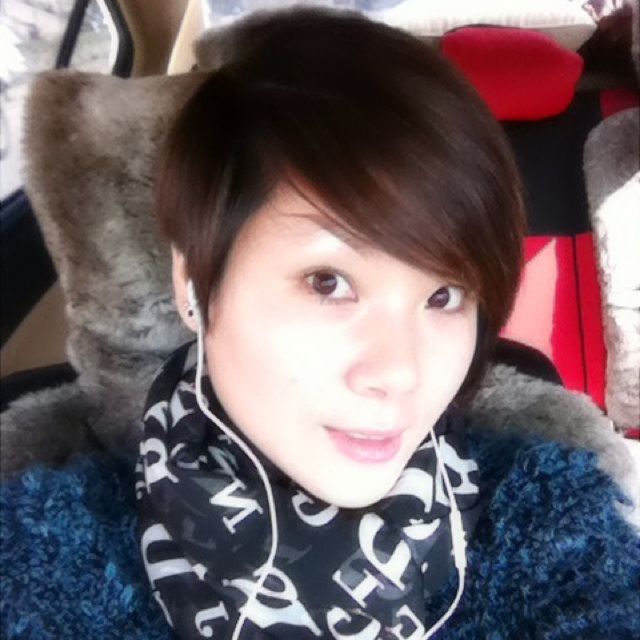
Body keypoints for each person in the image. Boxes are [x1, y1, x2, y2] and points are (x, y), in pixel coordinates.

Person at [1, 7, 638, 640]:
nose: (400, 373)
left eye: (445, 296)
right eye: (328, 282)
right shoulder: (47, 552)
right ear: (194, 282)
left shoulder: (544, 516)